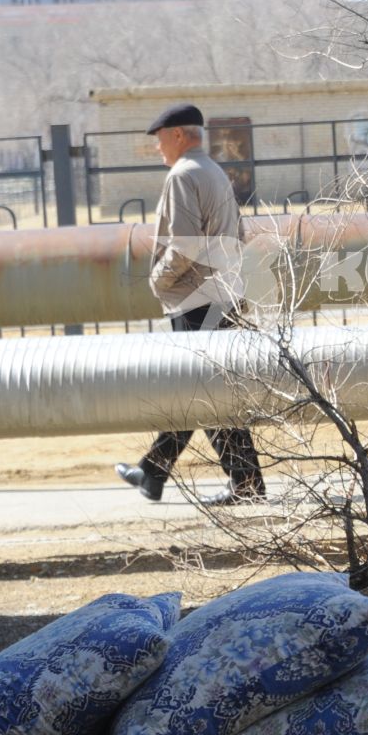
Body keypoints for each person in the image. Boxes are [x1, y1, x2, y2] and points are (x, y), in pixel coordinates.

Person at [114, 104, 267, 504]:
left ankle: (238, 482)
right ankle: (156, 471)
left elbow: (183, 245)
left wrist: (158, 279)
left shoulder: (182, 175)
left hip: (197, 298)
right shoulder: (214, 171)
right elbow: (240, 232)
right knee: (207, 390)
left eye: (161, 138)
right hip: (221, 294)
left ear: (179, 135)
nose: (159, 147)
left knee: (204, 391)